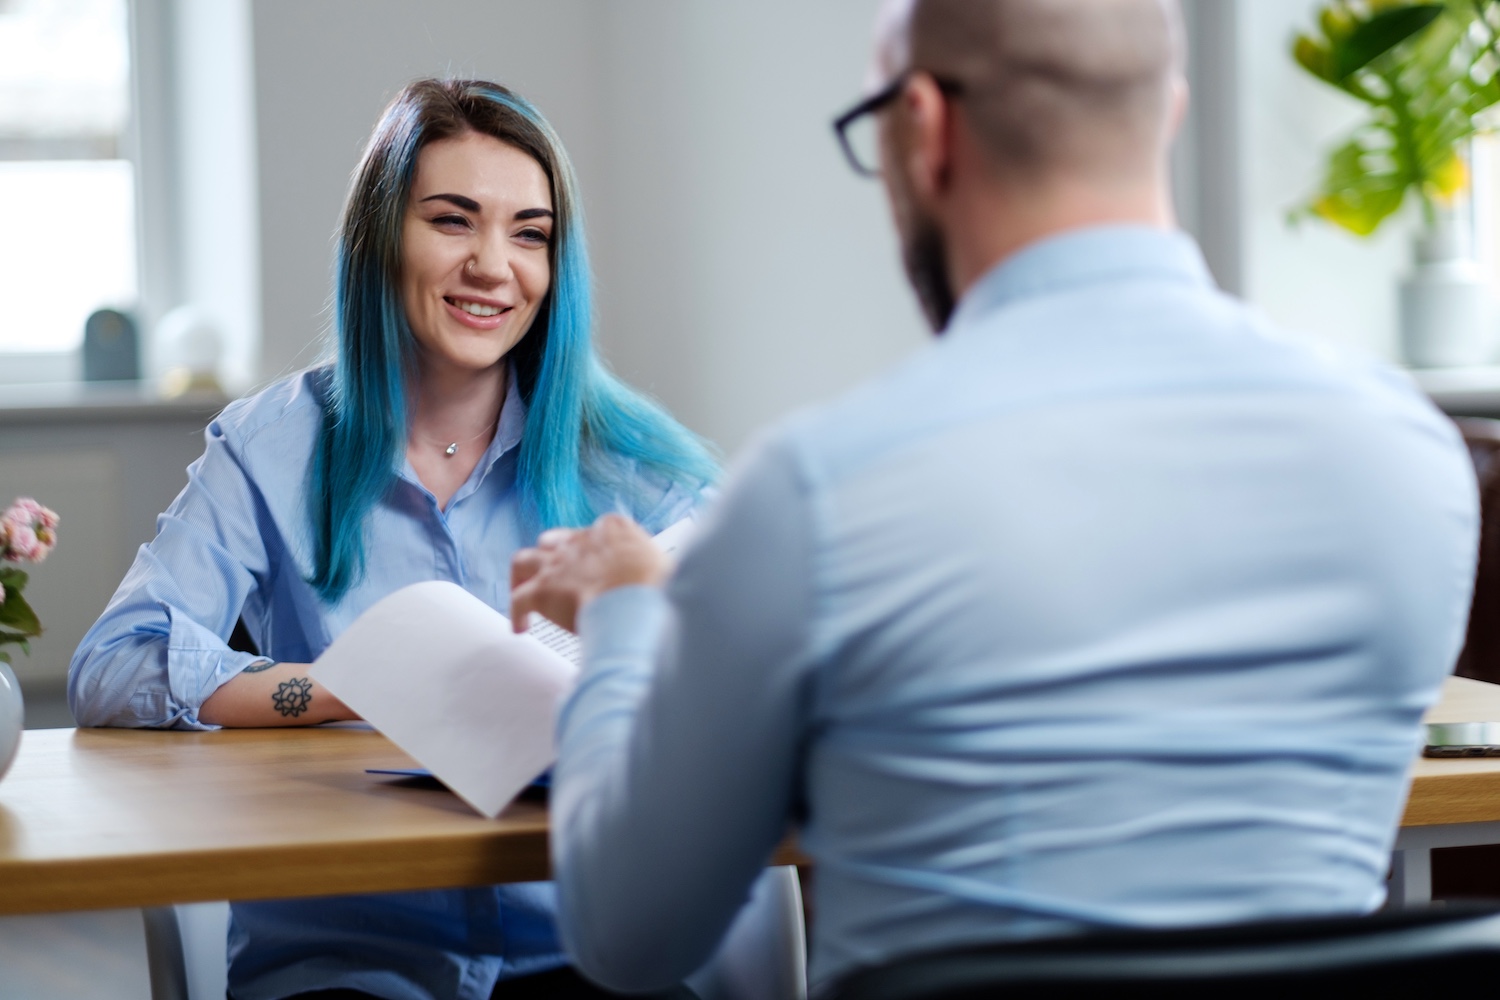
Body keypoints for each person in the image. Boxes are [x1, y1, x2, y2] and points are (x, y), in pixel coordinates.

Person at [509, 0, 1482, 994]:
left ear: (925, 127)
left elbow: (629, 935)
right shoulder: (1411, 460)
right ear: (1168, 113)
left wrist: (624, 610)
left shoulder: (820, 490)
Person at [69, 79, 715, 1000]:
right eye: (455, 221)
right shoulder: (271, 446)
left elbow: (746, 654)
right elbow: (113, 664)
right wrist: (336, 686)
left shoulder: (625, 460)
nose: (496, 265)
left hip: (583, 948)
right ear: (381, 240)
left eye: (529, 234)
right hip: (349, 959)